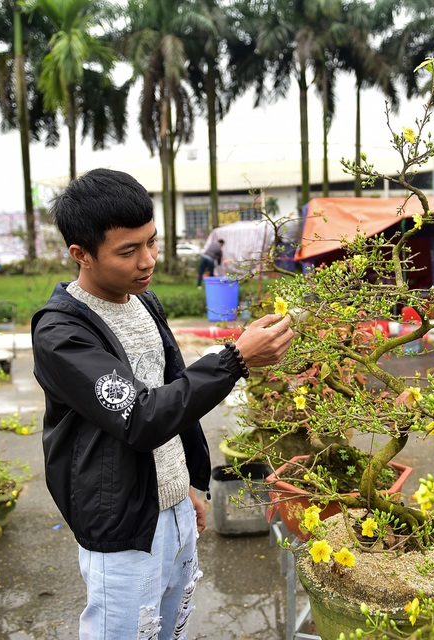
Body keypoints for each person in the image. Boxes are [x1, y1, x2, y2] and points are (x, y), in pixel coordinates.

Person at [30, 168, 293, 640]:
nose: (147, 260)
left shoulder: (143, 302)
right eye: (128, 251)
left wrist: (182, 485)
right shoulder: (62, 334)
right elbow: (141, 415)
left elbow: (169, 392)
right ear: (81, 255)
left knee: (170, 630)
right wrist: (234, 360)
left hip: (171, 507)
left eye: (152, 242)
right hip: (122, 527)